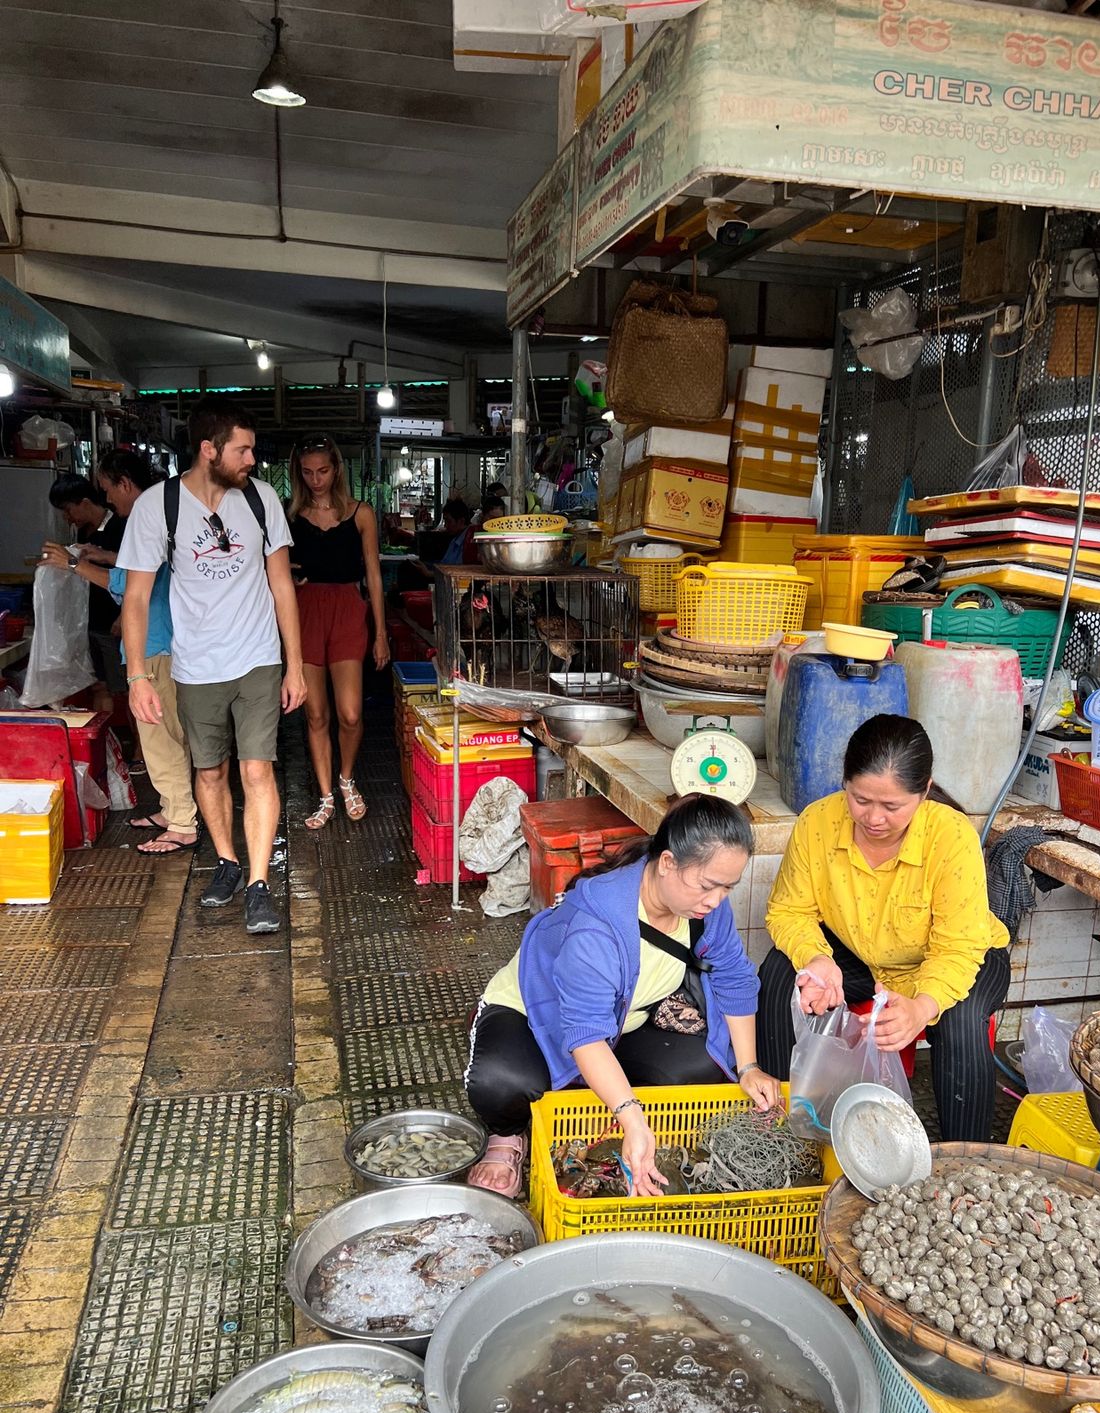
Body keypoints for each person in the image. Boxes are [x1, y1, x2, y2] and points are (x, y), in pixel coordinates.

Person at [465, 795, 775, 1198]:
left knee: (699, 1067)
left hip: (622, 1019)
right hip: (533, 1013)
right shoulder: (596, 928)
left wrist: (749, 1067)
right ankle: (506, 1134)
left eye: (727, 887)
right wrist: (630, 1116)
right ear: (667, 863)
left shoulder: (707, 909)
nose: (716, 900)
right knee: (501, 1083)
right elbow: (586, 1033)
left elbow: (734, 978)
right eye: (707, 885)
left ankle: (606, 1104)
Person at [757, 714, 1011, 1144]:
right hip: (860, 955)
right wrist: (817, 959)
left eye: (892, 806)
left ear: (925, 791)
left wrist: (921, 1007)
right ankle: (780, 1133)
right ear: (845, 782)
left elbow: (957, 949)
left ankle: (965, 1159)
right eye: (860, 800)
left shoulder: (951, 837)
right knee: (781, 974)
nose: (874, 818)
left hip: (961, 958)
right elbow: (789, 911)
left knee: (961, 1020)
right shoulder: (817, 823)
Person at [118, 402, 306, 935]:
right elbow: (136, 597)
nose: (252, 459)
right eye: (242, 450)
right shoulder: (159, 506)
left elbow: (282, 585)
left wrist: (294, 665)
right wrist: (136, 676)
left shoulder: (261, 499)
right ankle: (227, 861)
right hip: (196, 665)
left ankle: (259, 885)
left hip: (257, 657)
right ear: (209, 450)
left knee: (257, 770)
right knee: (210, 771)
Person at [40, 450, 199, 855]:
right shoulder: (164, 511)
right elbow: (147, 569)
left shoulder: (145, 516)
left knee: (160, 736)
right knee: (168, 732)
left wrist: (72, 565)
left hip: (154, 642)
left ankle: (182, 822)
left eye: (109, 488)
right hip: (168, 639)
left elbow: (128, 586)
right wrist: (106, 556)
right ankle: (173, 809)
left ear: (125, 483)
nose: (108, 498)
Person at [287, 434, 388, 828]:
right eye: (308, 472)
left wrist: (380, 633)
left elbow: (374, 576)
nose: (316, 480)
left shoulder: (360, 514)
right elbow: (274, 568)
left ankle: (347, 779)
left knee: (350, 713)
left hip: (348, 609)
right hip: (305, 611)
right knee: (315, 714)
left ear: (337, 470)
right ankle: (326, 795)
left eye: (323, 471)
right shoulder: (290, 515)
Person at [46, 475, 127, 720]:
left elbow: (133, 577)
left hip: (113, 623)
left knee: (122, 688)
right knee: (99, 685)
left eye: (68, 510)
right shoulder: (83, 533)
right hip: (90, 622)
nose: (67, 517)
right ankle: (104, 735)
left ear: (84, 502)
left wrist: (123, 616)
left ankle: (132, 741)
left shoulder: (119, 527)